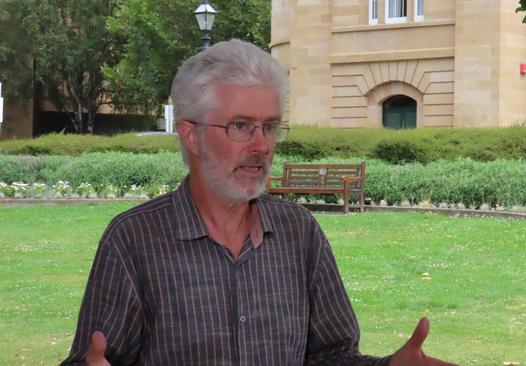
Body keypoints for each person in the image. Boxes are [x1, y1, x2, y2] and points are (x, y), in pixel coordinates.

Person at [61, 39, 456, 366]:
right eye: (240, 126)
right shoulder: (134, 240)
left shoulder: (299, 233)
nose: (261, 145)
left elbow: (331, 356)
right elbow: (94, 359)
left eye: (269, 126)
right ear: (191, 135)